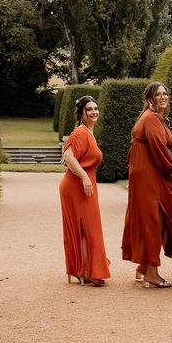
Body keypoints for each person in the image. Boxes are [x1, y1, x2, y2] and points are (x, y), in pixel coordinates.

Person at [121, 82, 172, 288]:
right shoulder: (151, 118)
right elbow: (159, 150)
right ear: (149, 99)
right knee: (153, 220)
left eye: (165, 94)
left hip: (146, 172)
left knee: (152, 219)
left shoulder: (153, 118)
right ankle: (151, 272)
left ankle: (144, 266)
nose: (163, 97)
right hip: (148, 175)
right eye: (158, 94)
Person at [59, 95, 110, 287]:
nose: (94, 112)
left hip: (84, 184)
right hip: (77, 184)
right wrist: (84, 176)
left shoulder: (89, 132)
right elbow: (68, 156)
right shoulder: (80, 132)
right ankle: (89, 271)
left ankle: (84, 269)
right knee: (87, 227)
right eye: (89, 109)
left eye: (96, 108)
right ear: (81, 113)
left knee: (87, 227)